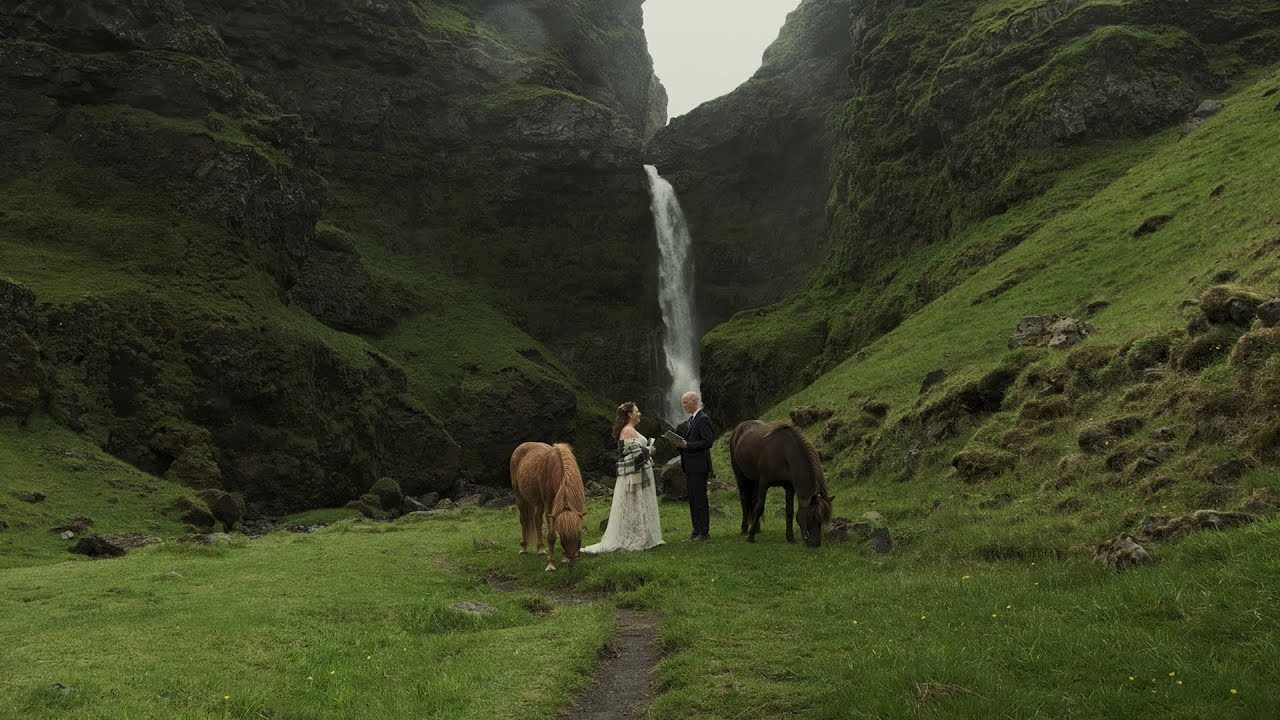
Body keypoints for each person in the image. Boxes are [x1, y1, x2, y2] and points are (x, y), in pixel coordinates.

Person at [582, 402, 664, 554]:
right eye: (637, 411)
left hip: (639, 475)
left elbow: (634, 452)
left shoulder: (630, 430)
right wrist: (650, 451)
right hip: (634, 477)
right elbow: (634, 456)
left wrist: (646, 451)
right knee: (634, 505)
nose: (639, 414)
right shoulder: (628, 431)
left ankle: (643, 536)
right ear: (630, 414)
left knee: (638, 505)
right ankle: (637, 537)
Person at [672, 390, 713, 541]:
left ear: (695, 401)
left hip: (699, 466)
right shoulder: (692, 420)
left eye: (685, 402)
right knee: (694, 499)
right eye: (683, 403)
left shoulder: (703, 419)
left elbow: (708, 442)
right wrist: (679, 445)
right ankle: (696, 531)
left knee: (700, 499)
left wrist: (687, 445)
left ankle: (704, 532)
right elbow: (689, 443)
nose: (683, 406)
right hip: (690, 467)